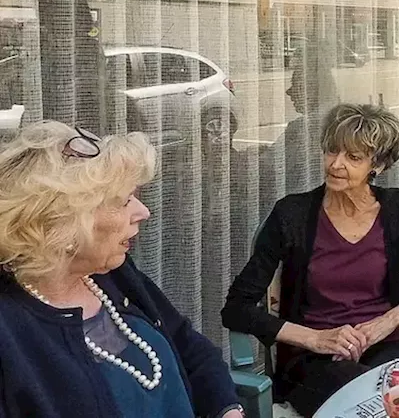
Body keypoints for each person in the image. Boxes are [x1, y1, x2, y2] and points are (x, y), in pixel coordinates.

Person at [222, 104, 399, 417]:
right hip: (312, 359)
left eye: (353, 157)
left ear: (379, 165)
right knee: (366, 403)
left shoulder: (398, 208)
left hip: (385, 346)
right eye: (332, 151)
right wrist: (317, 339)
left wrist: (385, 323)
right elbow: (236, 309)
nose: (336, 164)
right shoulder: (292, 215)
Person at [0, 122, 245, 418]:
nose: (143, 212)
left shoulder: (111, 275)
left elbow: (188, 345)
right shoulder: (10, 330)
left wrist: (228, 409)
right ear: (62, 223)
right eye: (124, 200)